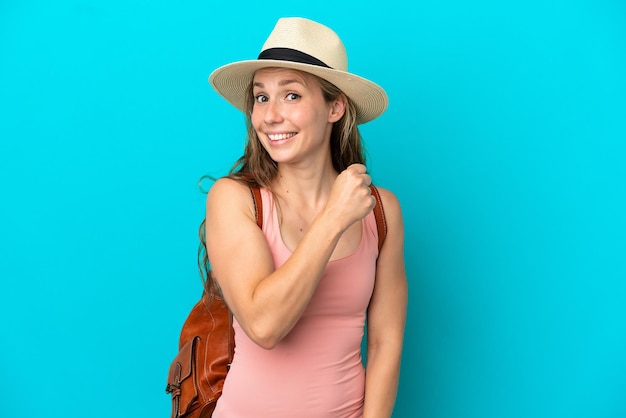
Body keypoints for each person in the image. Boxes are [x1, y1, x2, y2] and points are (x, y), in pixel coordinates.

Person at [203, 17, 407, 418]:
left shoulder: (380, 211)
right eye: (261, 98)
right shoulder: (236, 199)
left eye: (291, 96)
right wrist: (332, 219)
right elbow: (265, 326)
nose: (270, 116)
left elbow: (386, 342)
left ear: (335, 107)